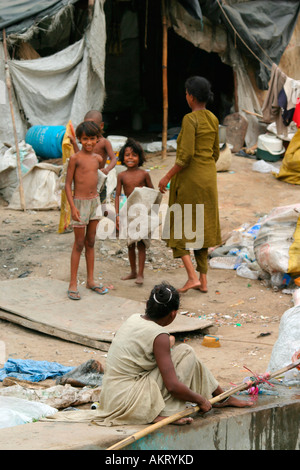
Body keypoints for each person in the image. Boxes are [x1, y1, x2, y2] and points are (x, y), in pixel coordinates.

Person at [92, 282, 253, 426]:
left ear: (148, 304)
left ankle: (222, 397)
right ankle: (166, 413)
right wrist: (201, 400)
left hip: (111, 397)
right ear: (173, 313)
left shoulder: (133, 319)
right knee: (186, 352)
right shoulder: (159, 335)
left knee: (184, 356)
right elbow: (173, 387)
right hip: (128, 401)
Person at [158, 76, 221, 294]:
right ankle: (203, 281)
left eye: (186, 93)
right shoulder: (213, 118)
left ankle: (192, 277)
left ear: (191, 97)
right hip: (208, 179)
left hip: (190, 180)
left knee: (178, 227)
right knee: (202, 227)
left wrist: (166, 177)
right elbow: (215, 153)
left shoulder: (189, 120)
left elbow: (184, 158)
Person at [65, 121, 108, 300]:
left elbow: (98, 180)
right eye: (85, 139)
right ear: (81, 140)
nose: (89, 142)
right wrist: (72, 207)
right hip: (79, 204)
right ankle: (73, 283)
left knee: (91, 242)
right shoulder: (75, 159)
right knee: (79, 244)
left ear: (98, 139)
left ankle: (90, 280)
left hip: (94, 203)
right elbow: (68, 185)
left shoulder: (98, 159)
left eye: (92, 139)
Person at [115, 138, 154, 285]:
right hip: (128, 213)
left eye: (134, 155)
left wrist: (152, 213)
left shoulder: (144, 175)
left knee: (141, 244)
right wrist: (118, 215)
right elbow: (117, 195)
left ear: (140, 157)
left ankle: (140, 274)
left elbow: (152, 193)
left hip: (143, 213)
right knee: (130, 244)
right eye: (127, 155)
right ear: (122, 158)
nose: (130, 158)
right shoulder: (121, 176)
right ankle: (132, 271)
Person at [70, 110, 117, 206]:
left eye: (93, 124)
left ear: (101, 126)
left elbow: (114, 159)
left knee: (100, 203)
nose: (89, 127)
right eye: (86, 124)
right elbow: (80, 157)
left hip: (99, 177)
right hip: (86, 177)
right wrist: (74, 143)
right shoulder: (86, 142)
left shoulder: (104, 142)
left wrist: (107, 169)